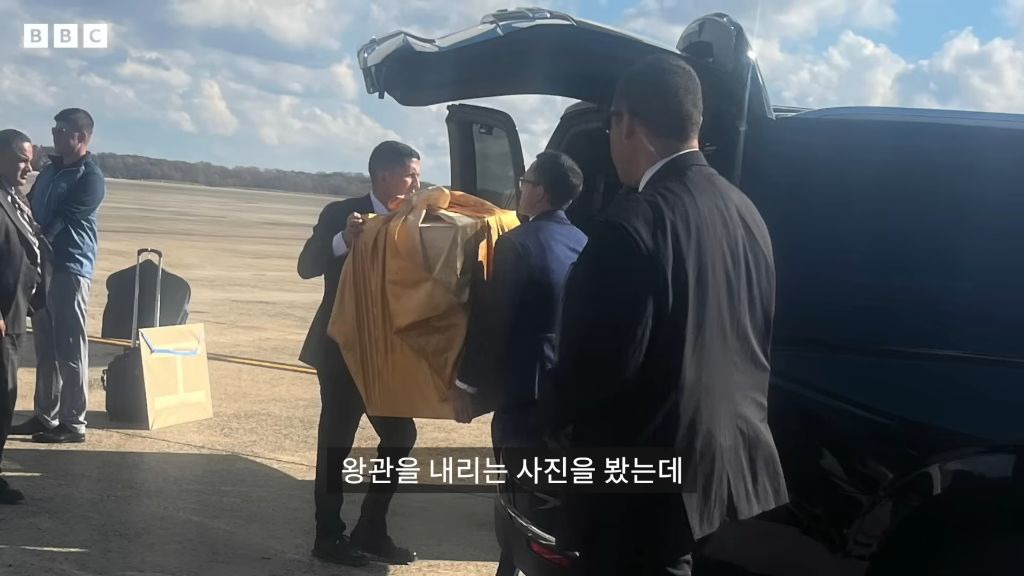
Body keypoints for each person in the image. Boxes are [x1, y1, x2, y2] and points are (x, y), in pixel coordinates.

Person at [547, 54, 789, 575]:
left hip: (643, 482)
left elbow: (595, 371)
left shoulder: (631, 226)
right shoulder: (744, 211)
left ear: (626, 124)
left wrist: (541, 423)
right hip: (726, 458)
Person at [453, 151, 588, 575]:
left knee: (514, 494)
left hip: (523, 393)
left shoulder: (517, 243)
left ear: (541, 192)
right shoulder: (583, 242)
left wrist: (467, 385)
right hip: (568, 389)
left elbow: (492, 323)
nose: (521, 188)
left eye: (526, 182)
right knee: (548, 492)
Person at [298, 140, 420, 567]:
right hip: (341, 349)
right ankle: (328, 536)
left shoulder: (416, 218)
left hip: (385, 352)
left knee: (401, 435)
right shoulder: (341, 213)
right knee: (337, 441)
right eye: (410, 175)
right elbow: (306, 266)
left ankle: (371, 527)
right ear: (384, 175)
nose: (417, 183)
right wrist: (343, 240)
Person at [11, 108, 105, 444]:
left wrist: (38, 236)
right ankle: (45, 415)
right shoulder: (50, 171)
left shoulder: (89, 177)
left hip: (70, 267)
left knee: (70, 346)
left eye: (61, 130)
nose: (55, 135)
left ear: (81, 137)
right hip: (42, 268)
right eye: (54, 129)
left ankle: (73, 422)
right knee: (46, 346)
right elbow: (30, 203)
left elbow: (67, 216)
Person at [0, 129, 47, 504]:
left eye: (30, 161)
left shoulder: (14, 198)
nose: (28, 168)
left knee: (6, 396)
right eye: (21, 160)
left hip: (15, 312)